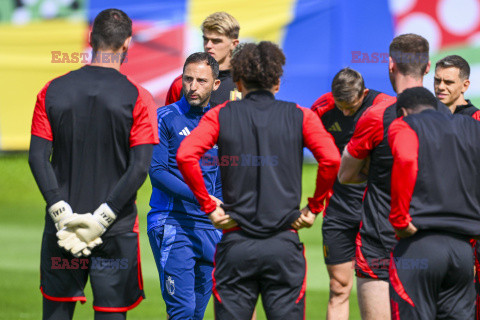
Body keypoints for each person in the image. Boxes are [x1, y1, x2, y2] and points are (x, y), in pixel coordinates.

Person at [176, 41, 340, 320]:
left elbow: (185, 155)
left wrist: (209, 207)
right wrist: (314, 208)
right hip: (283, 245)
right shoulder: (302, 116)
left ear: (238, 82)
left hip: (236, 242)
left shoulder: (220, 115)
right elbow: (332, 159)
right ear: (277, 82)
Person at [28, 9, 158, 320]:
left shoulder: (52, 89)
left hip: (64, 229)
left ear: (91, 39)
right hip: (114, 230)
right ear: (127, 43)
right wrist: (103, 217)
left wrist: (60, 211)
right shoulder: (139, 97)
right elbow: (140, 167)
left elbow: (37, 157)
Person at [338, 33, 450, 320]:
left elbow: (346, 175)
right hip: (438, 243)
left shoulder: (376, 116)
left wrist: (375, 169)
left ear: (390, 65)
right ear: (427, 68)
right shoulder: (453, 119)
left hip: (382, 242)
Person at [388, 87, 480, 319]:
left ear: (404, 112)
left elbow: (407, 160)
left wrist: (399, 219)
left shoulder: (405, 124)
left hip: (418, 245)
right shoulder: (473, 127)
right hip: (463, 251)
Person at [311, 67, 394, 320]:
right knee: (338, 287)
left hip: (378, 213)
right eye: (341, 106)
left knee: (386, 287)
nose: (346, 112)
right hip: (339, 211)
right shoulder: (322, 109)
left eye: (352, 106)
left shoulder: (386, 109)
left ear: (364, 93)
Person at [147, 52, 223, 319]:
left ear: (216, 84)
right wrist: (203, 198)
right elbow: (157, 172)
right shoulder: (164, 117)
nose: (192, 86)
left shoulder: (222, 121)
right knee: (183, 311)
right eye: (188, 78)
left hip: (211, 227)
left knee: (196, 314)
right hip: (173, 222)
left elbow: (226, 175)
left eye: (201, 80)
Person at [165, 11, 241, 106]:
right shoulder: (181, 84)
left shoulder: (247, 83)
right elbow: (168, 118)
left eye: (216, 41)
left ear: (234, 44)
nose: (208, 45)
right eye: (205, 39)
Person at [434, 54, 480, 119]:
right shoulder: (426, 116)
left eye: (448, 82)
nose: (440, 87)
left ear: (465, 86)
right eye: (437, 80)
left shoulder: (476, 118)